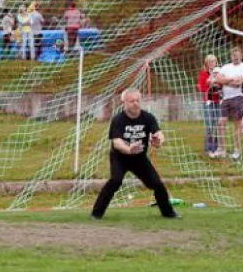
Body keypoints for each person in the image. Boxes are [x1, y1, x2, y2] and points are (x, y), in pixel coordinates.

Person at [91, 88, 181, 220]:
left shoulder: (148, 117)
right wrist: (128, 149)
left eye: (137, 100)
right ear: (124, 103)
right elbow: (117, 142)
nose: (135, 103)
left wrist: (158, 141)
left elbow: (159, 134)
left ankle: (168, 213)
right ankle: (96, 214)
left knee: (157, 184)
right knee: (115, 181)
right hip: (120, 158)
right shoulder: (118, 119)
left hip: (139, 158)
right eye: (131, 101)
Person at [216, 47, 243, 160]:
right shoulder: (226, 67)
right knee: (221, 122)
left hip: (239, 97)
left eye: (237, 54)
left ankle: (237, 150)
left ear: (242, 55)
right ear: (230, 56)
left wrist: (227, 81)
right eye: (233, 55)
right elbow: (219, 79)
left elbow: (240, 83)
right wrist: (231, 80)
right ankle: (221, 149)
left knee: (237, 123)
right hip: (226, 98)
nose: (235, 57)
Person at [197, 54, 222, 158]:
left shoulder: (220, 73)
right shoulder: (203, 74)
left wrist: (217, 87)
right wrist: (210, 84)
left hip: (218, 102)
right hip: (208, 102)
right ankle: (208, 148)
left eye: (213, 62)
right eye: (209, 62)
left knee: (218, 125)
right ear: (206, 64)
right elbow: (202, 87)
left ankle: (217, 148)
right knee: (209, 125)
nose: (212, 64)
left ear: (216, 63)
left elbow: (222, 85)